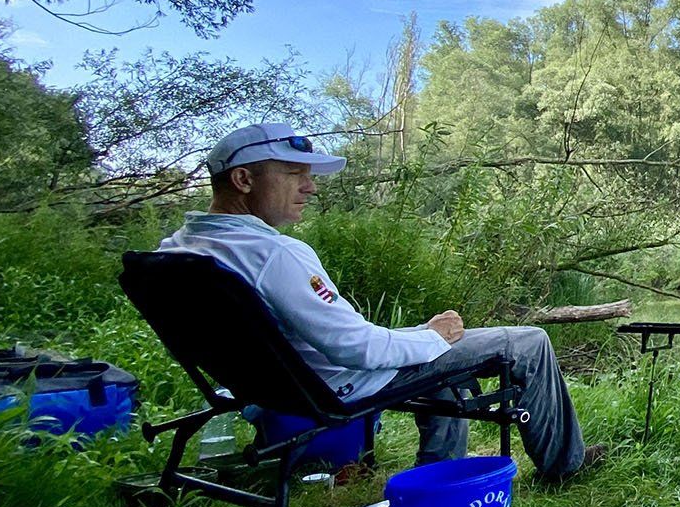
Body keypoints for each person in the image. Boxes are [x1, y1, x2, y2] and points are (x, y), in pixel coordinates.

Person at [158, 123, 607, 481]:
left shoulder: (176, 252)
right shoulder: (275, 254)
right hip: (343, 385)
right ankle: (566, 464)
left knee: (444, 365)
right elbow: (360, 351)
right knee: (527, 341)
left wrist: (419, 336)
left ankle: (438, 478)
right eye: (295, 174)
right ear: (243, 179)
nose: (310, 187)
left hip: (280, 385)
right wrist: (432, 338)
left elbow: (335, 338)